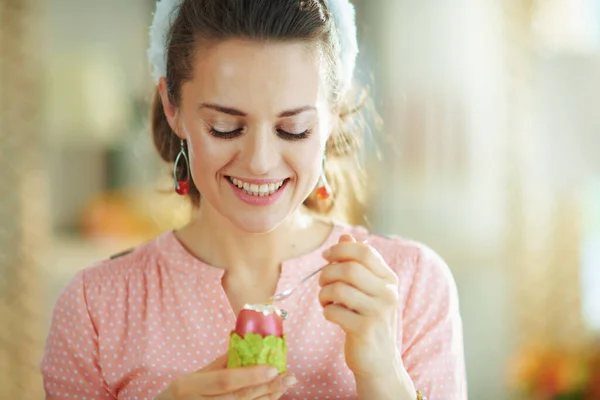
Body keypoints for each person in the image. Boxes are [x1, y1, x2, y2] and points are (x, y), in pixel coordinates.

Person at [41, 0, 467, 399]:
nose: (260, 162)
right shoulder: (95, 305)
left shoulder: (412, 283)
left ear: (334, 113)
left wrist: (385, 378)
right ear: (174, 108)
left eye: (294, 129)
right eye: (225, 127)